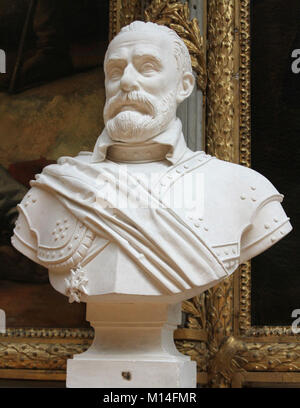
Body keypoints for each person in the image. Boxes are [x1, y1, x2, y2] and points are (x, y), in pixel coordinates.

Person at [11, 21, 292, 303]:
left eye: (147, 67)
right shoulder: (54, 190)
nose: (126, 82)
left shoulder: (243, 190)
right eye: (115, 71)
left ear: (184, 86)